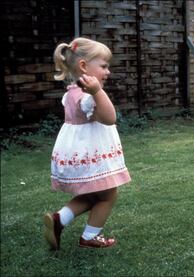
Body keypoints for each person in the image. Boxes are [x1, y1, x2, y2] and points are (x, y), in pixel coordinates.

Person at [44, 37, 131, 250]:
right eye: (103, 66)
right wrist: (98, 92)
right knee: (108, 195)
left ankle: (59, 219)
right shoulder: (87, 95)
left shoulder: (71, 92)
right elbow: (110, 118)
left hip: (78, 152)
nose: (108, 71)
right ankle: (90, 236)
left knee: (94, 194)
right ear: (84, 66)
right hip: (90, 153)